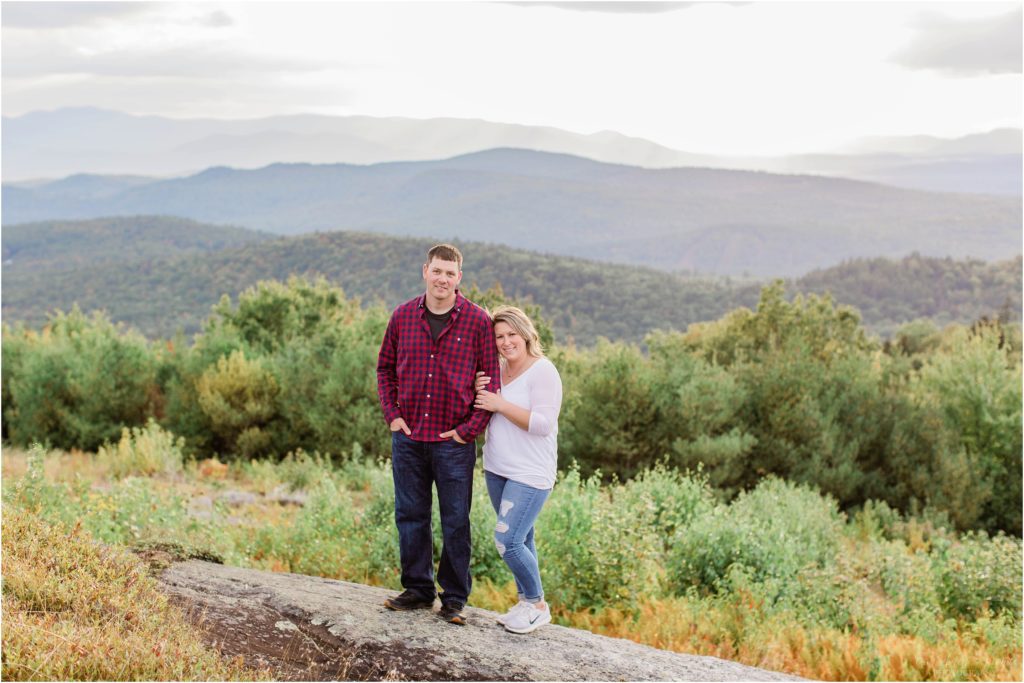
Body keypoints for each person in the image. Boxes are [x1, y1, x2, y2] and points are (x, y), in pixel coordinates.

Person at [376, 244, 501, 625]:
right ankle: (417, 589)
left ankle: (454, 598)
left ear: (459, 278)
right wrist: (393, 416)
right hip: (409, 439)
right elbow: (384, 370)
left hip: (453, 443)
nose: (443, 279)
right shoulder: (402, 317)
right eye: (437, 271)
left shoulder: (478, 321)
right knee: (410, 515)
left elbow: (491, 381)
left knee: (455, 520)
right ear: (425, 271)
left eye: (450, 273)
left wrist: (468, 432)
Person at [473, 305, 562, 634]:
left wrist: (500, 403)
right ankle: (526, 603)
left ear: (526, 335)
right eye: (499, 336)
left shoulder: (543, 371)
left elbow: (542, 423)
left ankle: (538, 605)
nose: (506, 341)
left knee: (506, 542)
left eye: (511, 334)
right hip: (497, 469)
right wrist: (479, 387)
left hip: (530, 473)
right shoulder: (497, 370)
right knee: (522, 539)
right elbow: (484, 406)